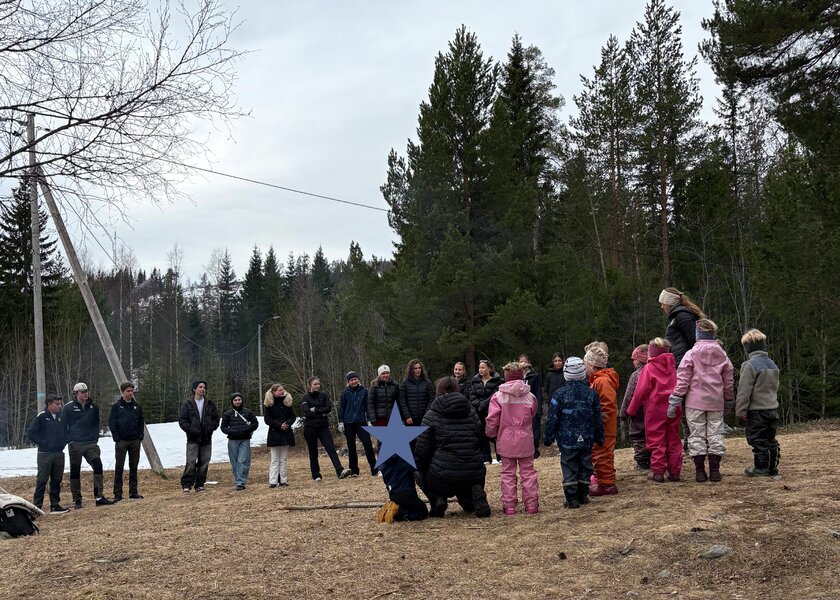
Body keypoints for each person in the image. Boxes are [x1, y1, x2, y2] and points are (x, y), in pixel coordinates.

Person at [668, 319, 734, 482]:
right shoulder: (722, 355)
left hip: (695, 402)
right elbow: (728, 381)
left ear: (698, 335)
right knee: (715, 434)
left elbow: (683, 380)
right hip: (716, 401)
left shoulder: (691, 354)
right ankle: (715, 471)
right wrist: (728, 399)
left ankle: (700, 471)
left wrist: (675, 399)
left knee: (696, 435)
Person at [415, 376, 491, 518]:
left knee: (418, 471)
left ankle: (437, 498)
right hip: (474, 474)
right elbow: (479, 439)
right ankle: (470, 499)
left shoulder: (431, 415)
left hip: (442, 478)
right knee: (466, 486)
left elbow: (422, 450)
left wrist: (424, 466)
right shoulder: (472, 412)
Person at [543, 357, 604, 508]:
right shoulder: (591, 394)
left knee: (569, 465)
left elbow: (553, 418)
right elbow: (597, 417)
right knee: (585, 465)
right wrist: (599, 436)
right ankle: (583, 494)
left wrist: (548, 436)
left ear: (566, 374)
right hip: (587, 437)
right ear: (583, 373)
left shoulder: (559, 394)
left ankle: (572, 498)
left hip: (566, 439)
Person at [485, 362, 539, 515]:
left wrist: (491, 433)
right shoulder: (530, 396)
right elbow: (533, 413)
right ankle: (531, 504)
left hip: (506, 437)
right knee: (528, 472)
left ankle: (509, 505)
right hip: (525, 438)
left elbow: (492, 419)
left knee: (508, 473)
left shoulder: (498, 396)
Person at [627, 338, 681, 483]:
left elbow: (640, 392)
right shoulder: (672, 367)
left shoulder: (649, 368)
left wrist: (631, 410)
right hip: (673, 407)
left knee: (656, 440)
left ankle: (658, 472)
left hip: (655, 409)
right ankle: (675, 472)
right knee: (673, 439)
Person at [735, 329, 781, 477]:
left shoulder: (749, 365)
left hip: (757, 411)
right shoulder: (772, 364)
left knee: (757, 439)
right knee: (770, 438)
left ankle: (761, 468)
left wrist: (741, 411)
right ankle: (772, 467)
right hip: (772, 408)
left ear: (748, 347)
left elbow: (744, 390)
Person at [64, 382, 113, 509]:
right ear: (76, 394)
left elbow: (96, 423)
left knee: (98, 466)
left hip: (91, 443)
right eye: (82, 392)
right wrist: (70, 441)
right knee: (75, 470)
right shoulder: (68, 408)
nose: (85, 394)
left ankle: (99, 497)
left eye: (86, 391)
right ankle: (77, 499)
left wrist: (95, 438)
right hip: (76, 444)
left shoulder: (94, 406)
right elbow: (64, 426)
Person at [584, 344, 620, 495]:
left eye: (586, 364)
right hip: (603, 426)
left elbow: (608, 405)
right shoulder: (598, 380)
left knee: (602, 455)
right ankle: (604, 481)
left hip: (604, 428)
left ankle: (607, 485)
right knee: (600, 454)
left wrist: (598, 422)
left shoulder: (601, 381)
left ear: (592, 365)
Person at [301, 377, 351, 481]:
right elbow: (307, 413)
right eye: (315, 384)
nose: (317, 386)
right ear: (310, 386)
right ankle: (316, 475)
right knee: (313, 452)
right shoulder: (305, 398)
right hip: (310, 428)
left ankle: (340, 471)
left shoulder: (324, 396)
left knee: (331, 449)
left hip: (323, 427)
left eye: (318, 384)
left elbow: (328, 408)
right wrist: (321, 412)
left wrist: (315, 410)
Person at [27, 394, 69, 514]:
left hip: (58, 453)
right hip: (45, 454)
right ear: (49, 404)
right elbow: (31, 433)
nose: (59, 406)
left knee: (56, 480)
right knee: (42, 480)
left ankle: (55, 505)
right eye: (57, 404)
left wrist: (64, 442)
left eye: (60, 404)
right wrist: (43, 443)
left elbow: (67, 431)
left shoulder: (61, 417)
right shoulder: (42, 416)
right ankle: (37, 507)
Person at [178, 380, 220, 494]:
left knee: (204, 461)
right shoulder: (187, 404)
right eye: (200, 387)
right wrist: (190, 430)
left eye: (204, 387)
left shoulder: (210, 404)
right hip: (193, 438)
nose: (202, 389)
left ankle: (200, 484)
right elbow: (182, 420)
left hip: (206, 437)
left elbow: (216, 419)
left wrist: (211, 428)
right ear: (194, 389)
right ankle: (187, 484)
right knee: (191, 461)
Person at [109, 382, 145, 502]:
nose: (130, 393)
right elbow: (112, 423)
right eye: (128, 391)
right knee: (119, 467)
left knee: (133, 467)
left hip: (135, 440)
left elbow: (141, 421)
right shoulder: (117, 406)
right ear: (122, 392)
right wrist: (116, 438)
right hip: (122, 441)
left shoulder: (137, 406)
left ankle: (133, 492)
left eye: (131, 391)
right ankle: (118, 493)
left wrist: (140, 436)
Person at [618, 345, 651, 470]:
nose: (633, 361)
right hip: (654, 410)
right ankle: (654, 458)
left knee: (638, 436)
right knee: (653, 435)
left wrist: (623, 413)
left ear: (641, 359)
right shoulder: (655, 371)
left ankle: (642, 461)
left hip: (638, 410)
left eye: (635, 359)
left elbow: (629, 395)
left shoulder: (636, 375)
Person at [339, 371, 377, 477]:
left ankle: (375, 469)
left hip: (361, 421)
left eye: (355, 379)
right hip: (348, 423)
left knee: (367, 444)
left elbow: (367, 407)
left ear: (358, 380)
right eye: (351, 380)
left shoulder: (364, 391)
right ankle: (354, 470)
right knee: (351, 447)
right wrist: (341, 422)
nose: (354, 381)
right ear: (348, 382)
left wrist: (369, 420)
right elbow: (342, 408)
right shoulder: (345, 393)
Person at [658, 287, 706, 367]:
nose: (661, 306)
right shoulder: (676, 316)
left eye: (663, 303)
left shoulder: (682, 316)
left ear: (669, 303)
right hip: (679, 360)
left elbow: (694, 340)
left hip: (683, 363)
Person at [221, 392, 259, 491]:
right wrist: (231, 431)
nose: (237, 402)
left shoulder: (248, 412)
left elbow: (255, 423)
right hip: (232, 440)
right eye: (235, 400)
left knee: (243, 460)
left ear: (242, 401)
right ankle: (238, 478)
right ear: (232, 401)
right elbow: (223, 427)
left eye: (239, 400)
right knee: (234, 462)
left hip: (245, 439)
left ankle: (240, 482)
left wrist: (247, 429)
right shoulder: (227, 414)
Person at [375, 455, 429, 524]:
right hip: (406, 491)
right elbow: (418, 465)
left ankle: (394, 508)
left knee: (406, 505)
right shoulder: (405, 458)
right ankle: (399, 513)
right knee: (422, 512)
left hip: (393, 492)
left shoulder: (384, 463)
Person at [469, 359, 503, 464]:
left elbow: (496, 394)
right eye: (480, 368)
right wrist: (479, 405)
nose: (481, 370)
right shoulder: (475, 381)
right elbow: (472, 395)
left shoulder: (497, 380)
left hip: (493, 410)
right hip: (479, 411)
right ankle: (486, 457)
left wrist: (485, 403)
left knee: (496, 432)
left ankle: (500, 456)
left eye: (483, 367)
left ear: (489, 368)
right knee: (482, 433)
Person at [264, 383, 296, 487]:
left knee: (283, 459)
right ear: (273, 392)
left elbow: (292, 416)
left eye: (282, 389)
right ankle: (273, 481)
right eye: (279, 390)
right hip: (274, 434)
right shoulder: (269, 404)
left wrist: (287, 424)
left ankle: (283, 481)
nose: (282, 391)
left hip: (286, 433)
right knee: (274, 459)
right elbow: (267, 419)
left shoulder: (287, 402)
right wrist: (279, 425)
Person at [518, 354, 544, 459]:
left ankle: (534, 451)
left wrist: (539, 408)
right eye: (521, 361)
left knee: (534, 430)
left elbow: (538, 392)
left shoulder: (534, 376)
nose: (523, 363)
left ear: (529, 363)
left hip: (532, 406)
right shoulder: (517, 376)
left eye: (525, 361)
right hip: (520, 407)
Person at [398, 359, 435, 426]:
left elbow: (431, 399)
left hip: (425, 418)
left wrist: (427, 414)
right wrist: (407, 416)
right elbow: (402, 401)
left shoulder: (427, 383)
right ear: (411, 370)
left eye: (419, 368)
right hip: (410, 419)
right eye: (415, 368)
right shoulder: (405, 383)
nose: (418, 370)